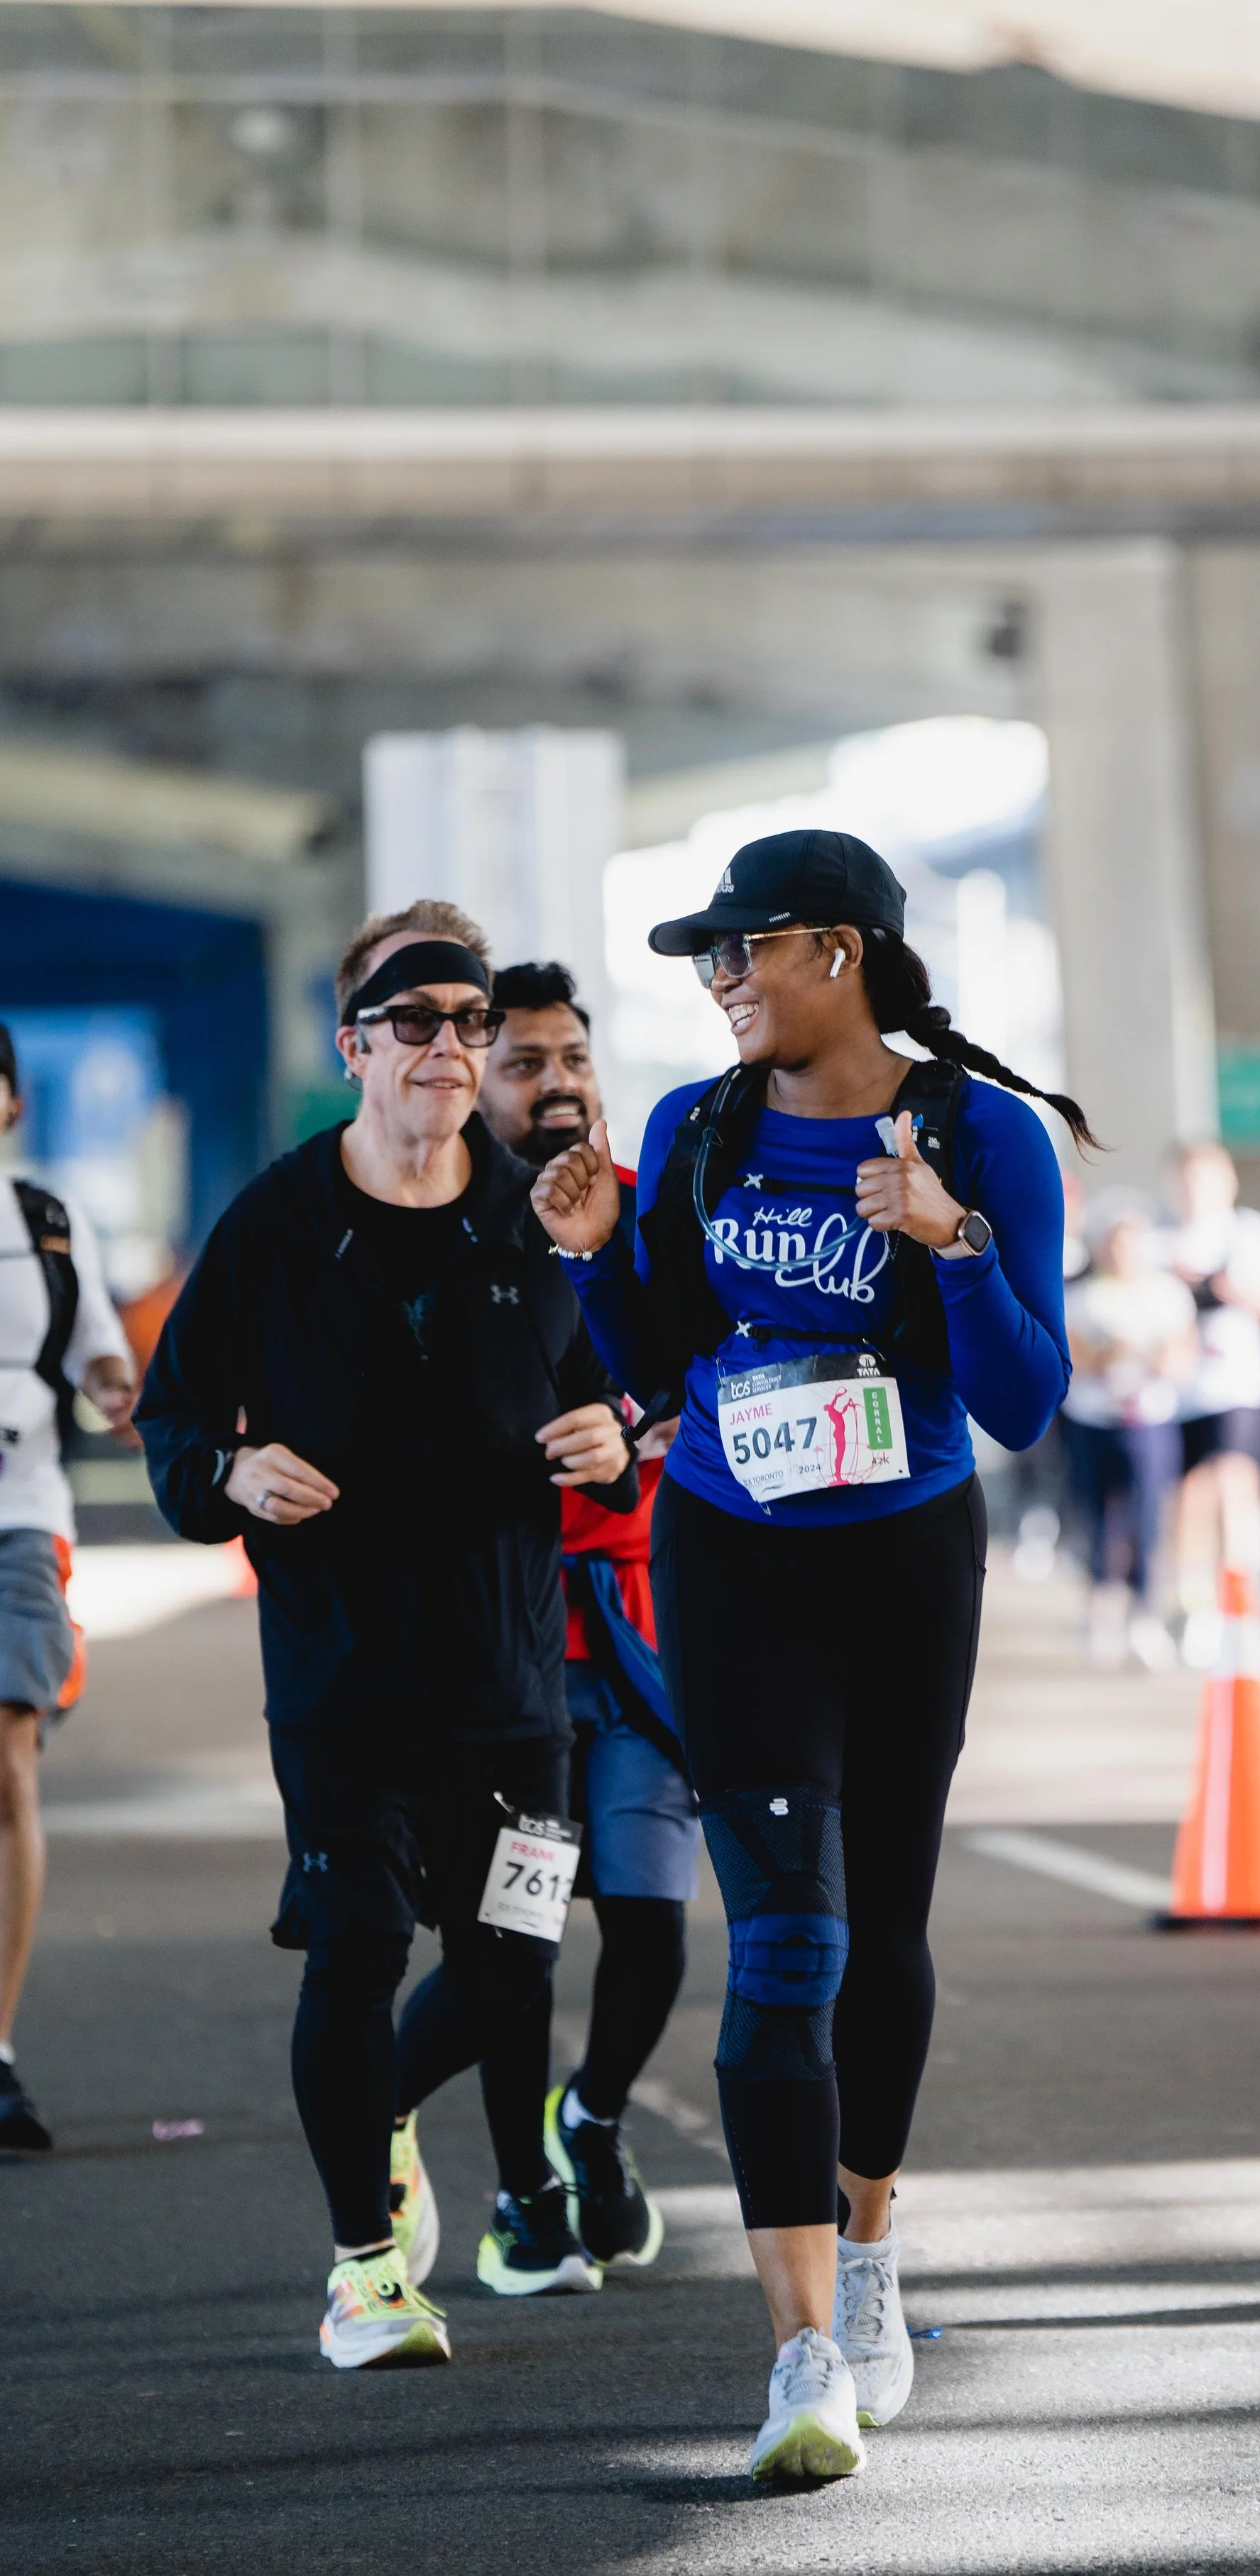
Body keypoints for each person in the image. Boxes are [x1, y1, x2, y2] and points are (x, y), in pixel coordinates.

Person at [529, 828, 1085, 2484]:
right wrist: (585, 1254)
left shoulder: (979, 1129)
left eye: (741, 950)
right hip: (731, 1549)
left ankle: (866, 2244)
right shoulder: (702, 1126)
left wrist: (949, 1238)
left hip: (906, 1554)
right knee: (787, 1938)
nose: (718, 982)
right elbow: (655, 1356)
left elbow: (1023, 1400)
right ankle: (793, 2352)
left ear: (836, 949)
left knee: (889, 1927)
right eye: (704, 960)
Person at [136, 904, 639, 2369]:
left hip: (510, 1676)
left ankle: (404, 2127)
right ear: (354, 1046)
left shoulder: (542, 1216)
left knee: (509, 1968)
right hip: (341, 1668)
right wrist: (223, 1476)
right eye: (415, 1023)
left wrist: (615, 1433)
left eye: (470, 1025)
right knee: (355, 1948)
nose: (448, 1049)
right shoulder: (278, 1222)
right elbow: (174, 1416)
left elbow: (631, 1383)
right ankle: (365, 2266)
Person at [478, 959, 696, 2270]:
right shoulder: (444, 1226)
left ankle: (596, 2113)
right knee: (518, 1935)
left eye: (570, 1060)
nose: (554, 1085)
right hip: (508, 1640)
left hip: (643, 1634)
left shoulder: (650, 1213)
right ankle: (519, 2188)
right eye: (524, 1064)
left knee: (654, 1927)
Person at [0, 1022, 136, 2152]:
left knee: (9, 1761)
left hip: (19, 1518)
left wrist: (120, 1383)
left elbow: (100, 1357)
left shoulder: (46, 1224)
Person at [1161, 1143, 1260, 1664]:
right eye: (1188, 1180)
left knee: (1235, 1485)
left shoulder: (1250, 1233)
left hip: (1236, 1383)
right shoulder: (1158, 1238)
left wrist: (1231, 1291)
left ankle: (1242, 1609)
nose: (1196, 1191)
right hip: (1178, 1390)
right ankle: (1195, 1606)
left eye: (1207, 1179)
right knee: (1190, 1496)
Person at [1061, 1194, 1194, 1668]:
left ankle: (1144, 1612)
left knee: (1146, 1519)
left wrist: (1145, 1356)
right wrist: (1115, 1354)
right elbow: (1076, 1359)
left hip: (1149, 1420)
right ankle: (1099, 1609)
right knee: (1095, 1518)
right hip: (1093, 1419)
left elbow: (1180, 1357)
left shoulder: (1167, 1294)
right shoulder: (1080, 1296)